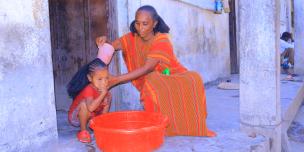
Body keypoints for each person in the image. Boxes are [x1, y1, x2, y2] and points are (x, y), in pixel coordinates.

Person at [96, 5, 216, 137]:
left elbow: (148, 68)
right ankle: (157, 124)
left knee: (194, 78)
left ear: (155, 23)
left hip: (173, 76)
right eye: (137, 23)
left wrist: (116, 79)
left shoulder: (162, 40)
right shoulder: (131, 37)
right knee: (151, 81)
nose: (140, 28)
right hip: (155, 79)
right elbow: (112, 46)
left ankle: (189, 124)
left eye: (145, 24)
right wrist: (105, 42)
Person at [67, 58, 112, 143]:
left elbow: (104, 115)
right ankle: (83, 131)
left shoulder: (107, 93)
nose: (104, 82)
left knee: (108, 98)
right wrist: (102, 95)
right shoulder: (89, 89)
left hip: (91, 117)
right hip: (76, 118)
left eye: (106, 78)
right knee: (84, 104)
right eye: (99, 79)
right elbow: (91, 108)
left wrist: (101, 128)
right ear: (90, 78)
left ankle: (93, 126)